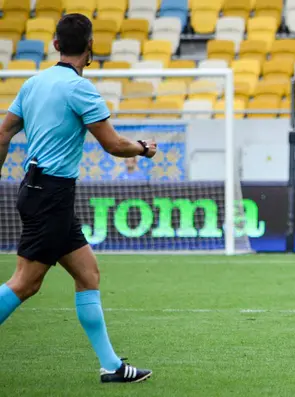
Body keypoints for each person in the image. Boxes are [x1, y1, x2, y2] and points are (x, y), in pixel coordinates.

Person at [0, 14, 156, 382]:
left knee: (88, 274)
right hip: (51, 193)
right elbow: (113, 144)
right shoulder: (79, 89)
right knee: (25, 282)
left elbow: (4, 132)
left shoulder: (34, 84)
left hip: (38, 190)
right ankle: (112, 366)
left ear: (55, 44)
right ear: (90, 48)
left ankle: (113, 367)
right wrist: (143, 149)